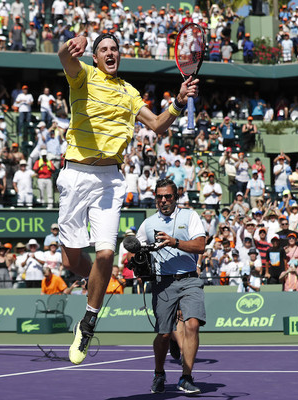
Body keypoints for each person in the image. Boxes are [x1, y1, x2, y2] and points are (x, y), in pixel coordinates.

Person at [58, 32, 198, 365]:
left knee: (106, 253)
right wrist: (69, 43)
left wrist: (178, 102)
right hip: (76, 175)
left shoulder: (129, 92)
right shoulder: (83, 76)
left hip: (110, 179)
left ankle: (88, 321)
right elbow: (64, 57)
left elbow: (159, 125)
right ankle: (97, 281)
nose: (110, 53)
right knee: (71, 262)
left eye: (114, 49)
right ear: (94, 57)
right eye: (103, 49)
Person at [134, 179, 205, 394]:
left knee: (192, 324)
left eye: (168, 197)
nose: (163, 201)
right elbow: (135, 248)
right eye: (159, 197)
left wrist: (175, 242)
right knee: (164, 334)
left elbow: (200, 245)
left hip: (190, 278)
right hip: (163, 282)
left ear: (176, 197)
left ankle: (186, 377)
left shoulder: (190, 216)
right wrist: (137, 259)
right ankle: (159, 373)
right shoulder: (147, 223)